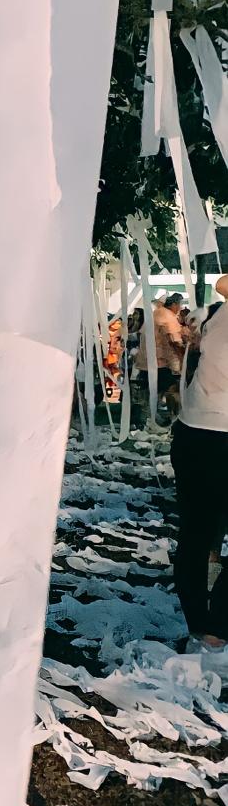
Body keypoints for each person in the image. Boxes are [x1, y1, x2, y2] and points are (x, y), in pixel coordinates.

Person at [170, 275, 228, 653]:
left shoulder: (218, 315)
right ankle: (216, 626)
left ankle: (200, 626)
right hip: (218, 434)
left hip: (193, 433)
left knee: (194, 534)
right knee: (198, 535)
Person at [153, 292, 188, 422]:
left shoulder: (156, 313)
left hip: (153, 359)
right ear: (174, 304)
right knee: (173, 389)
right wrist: (184, 356)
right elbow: (175, 341)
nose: (180, 308)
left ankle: (153, 416)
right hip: (166, 360)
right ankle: (174, 417)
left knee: (158, 390)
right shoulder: (168, 316)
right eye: (179, 305)